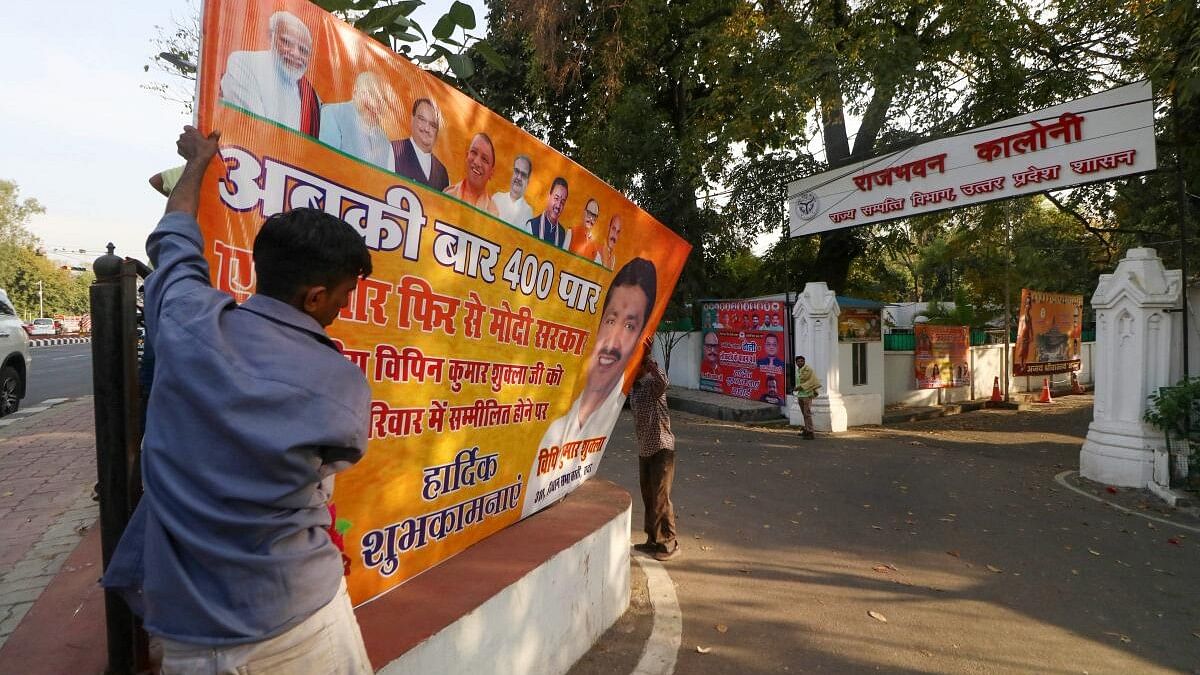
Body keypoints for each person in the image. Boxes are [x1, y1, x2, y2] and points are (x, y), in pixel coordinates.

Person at [102, 126, 374, 673]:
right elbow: (332, 463)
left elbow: (174, 237)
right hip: (300, 625)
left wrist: (199, 161)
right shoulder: (340, 384)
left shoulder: (184, 319)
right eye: (345, 296)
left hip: (186, 639)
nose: (343, 308)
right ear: (316, 296)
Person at [521, 257, 658, 517]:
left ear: (640, 338)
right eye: (610, 320)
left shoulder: (616, 401)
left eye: (630, 326)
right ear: (598, 324)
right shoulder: (555, 416)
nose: (613, 342)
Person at [220, 11, 322, 136]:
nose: (296, 54)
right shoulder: (244, 63)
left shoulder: (310, 96)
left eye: (303, 50)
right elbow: (254, 130)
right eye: (286, 42)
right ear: (271, 37)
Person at [629, 340, 679, 562]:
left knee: (660, 497)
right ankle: (652, 539)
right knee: (648, 496)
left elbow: (664, 381)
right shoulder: (634, 389)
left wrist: (649, 359)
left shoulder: (652, 385)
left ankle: (668, 542)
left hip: (661, 448)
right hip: (645, 449)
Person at [319, 71, 394, 171]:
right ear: (355, 92)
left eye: (383, 99)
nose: (375, 103)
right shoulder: (333, 114)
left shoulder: (383, 138)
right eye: (371, 94)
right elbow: (325, 165)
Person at [392, 98, 450, 190]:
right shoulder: (393, 150)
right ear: (412, 119)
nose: (426, 129)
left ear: (437, 131)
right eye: (422, 119)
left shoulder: (442, 172)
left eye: (433, 125)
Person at [444, 133, 500, 216]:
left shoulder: (492, 214)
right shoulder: (448, 196)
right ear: (467, 156)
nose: (477, 162)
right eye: (474, 152)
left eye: (484, 159)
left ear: (491, 172)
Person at [526, 177, 569, 248]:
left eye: (562, 202)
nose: (558, 205)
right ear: (549, 196)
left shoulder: (562, 234)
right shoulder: (532, 226)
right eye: (556, 198)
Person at [493, 155, 534, 228]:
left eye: (523, 175)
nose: (519, 177)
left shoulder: (528, 213)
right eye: (516, 171)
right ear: (512, 173)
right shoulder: (496, 199)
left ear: (528, 182)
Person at [794, 354, 820, 439]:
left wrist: (800, 387)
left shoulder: (808, 370)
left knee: (807, 414)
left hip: (807, 395)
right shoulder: (798, 371)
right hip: (800, 395)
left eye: (802, 361)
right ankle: (807, 429)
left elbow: (812, 381)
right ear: (796, 363)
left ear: (804, 362)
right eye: (798, 361)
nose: (800, 362)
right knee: (804, 414)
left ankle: (810, 433)